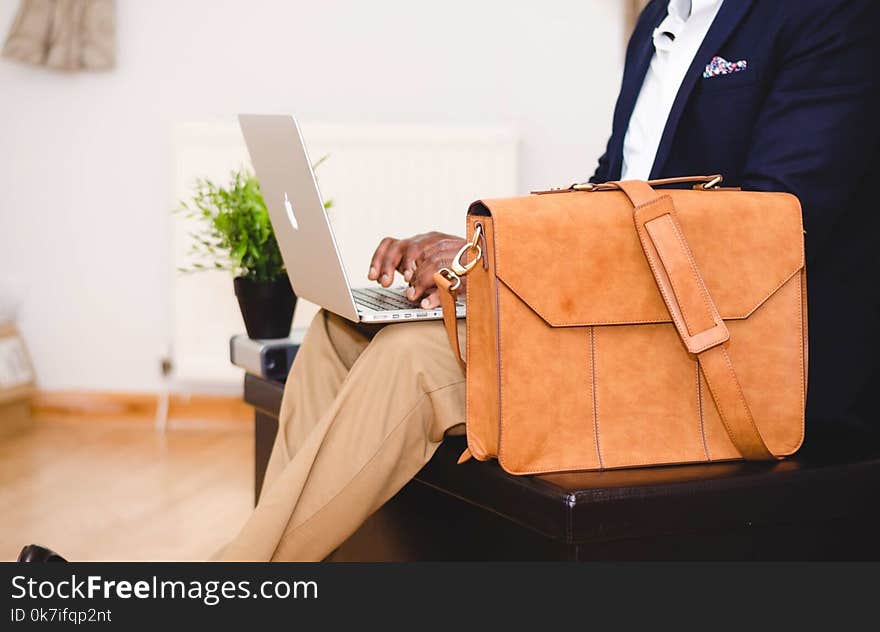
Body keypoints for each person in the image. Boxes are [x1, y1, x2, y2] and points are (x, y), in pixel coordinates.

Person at [19, 0, 880, 562]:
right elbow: (612, 189)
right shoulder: (659, 20)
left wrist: (512, 269)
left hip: (731, 364)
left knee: (418, 365)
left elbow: (772, 225)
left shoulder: (825, 17)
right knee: (346, 330)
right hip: (628, 332)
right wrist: (477, 255)